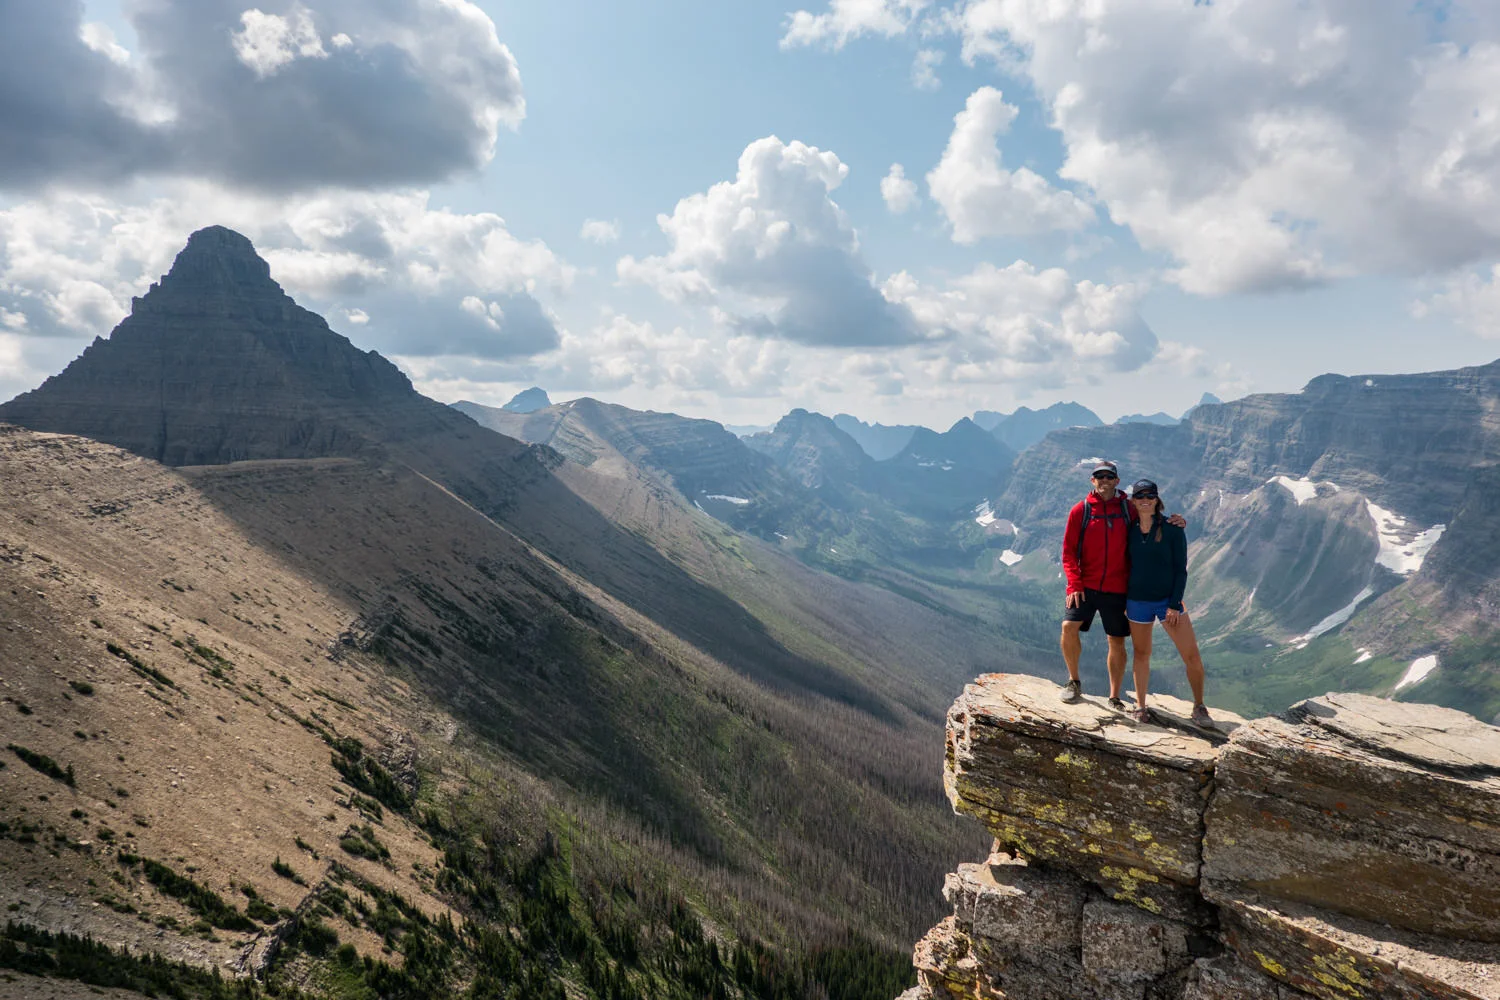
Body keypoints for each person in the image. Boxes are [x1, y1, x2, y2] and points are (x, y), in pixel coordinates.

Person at [1058, 461, 1185, 706]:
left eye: (1109, 477)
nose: (1104, 480)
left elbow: (1153, 516)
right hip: (1085, 585)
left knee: (1115, 640)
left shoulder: (1128, 508)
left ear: (1117, 481)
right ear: (1092, 481)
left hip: (1117, 587)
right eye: (1099, 477)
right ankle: (1073, 681)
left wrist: (1176, 521)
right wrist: (1074, 584)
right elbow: (1069, 552)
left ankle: (1114, 696)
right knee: (1068, 627)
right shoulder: (1080, 511)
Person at [1124, 479, 1213, 727]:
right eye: (1140, 495)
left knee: (1191, 656)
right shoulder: (1128, 529)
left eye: (1150, 496)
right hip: (1137, 600)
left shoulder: (1173, 530)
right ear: (1132, 500)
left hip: (1167, 602)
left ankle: (1199, 706)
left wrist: (1174, 604)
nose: (1145, 499)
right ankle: (1140, 707)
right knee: (1141, 654)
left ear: (1157, 500)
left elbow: (1180, 570)